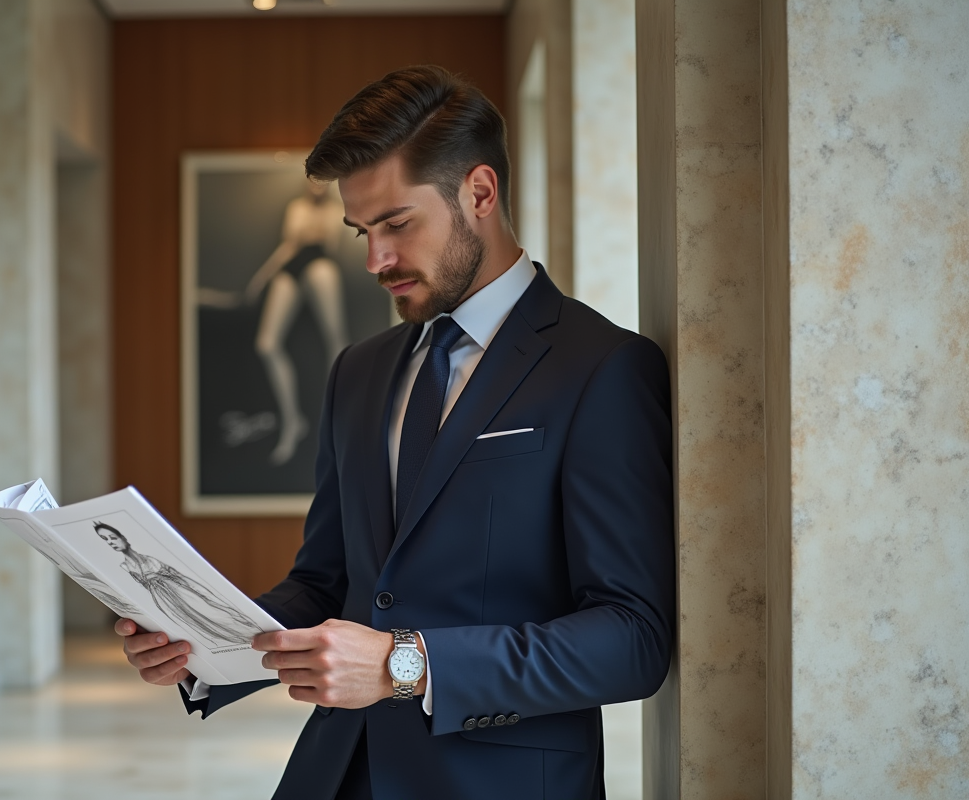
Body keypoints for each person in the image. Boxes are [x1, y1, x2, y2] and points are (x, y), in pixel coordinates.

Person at [116, 64, 674, 800]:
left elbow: (631, 639)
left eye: (397, 225)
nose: (376, 260)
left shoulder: (603, 367)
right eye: (362, 232)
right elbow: (328, 583)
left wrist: (400, 667)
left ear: (480, 192)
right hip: (337, 774)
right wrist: (203, 651)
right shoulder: (360, 369)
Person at [245, 179, 350, 465]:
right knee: (266, 344)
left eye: (323, 180)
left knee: (335, 339)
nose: (317, 185)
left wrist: (313, 228)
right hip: (292, 266)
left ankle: (338, 420)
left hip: (320, 262)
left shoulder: (335, 209)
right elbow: (288, 246)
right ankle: (292, 420)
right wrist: (262, 277)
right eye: (314, 179)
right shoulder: (295, 207)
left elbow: (329, 242)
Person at [94, 522, 261, 649]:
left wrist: (200, 591)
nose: (111, 542)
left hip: (182, 591)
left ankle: (245, 639)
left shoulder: (151, 557)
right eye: (106, 540)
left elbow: (178, 575)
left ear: (122, 537)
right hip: (164, 600)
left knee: (211, 612)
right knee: (194, 625)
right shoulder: (125, 567)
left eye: (113, 537)